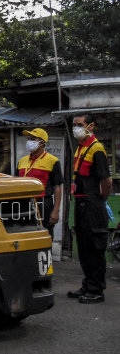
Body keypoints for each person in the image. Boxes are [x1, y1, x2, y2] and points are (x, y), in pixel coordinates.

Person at [67, 113, 112, 304]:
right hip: (80, 203)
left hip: (93, 203)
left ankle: (96, 290)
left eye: (80, 124)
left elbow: (107, 180)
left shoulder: (97, 149)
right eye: (74, 124)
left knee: (95, 249)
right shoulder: (81, 147)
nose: (76, 128)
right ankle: (87, 284)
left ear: (90, 126)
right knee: (84, 249)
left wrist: (101, 199)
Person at [17, 128, 63, 236]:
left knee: (44, 234)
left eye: (33, 139)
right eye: (28, 139)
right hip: (23, 203)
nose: (29, 142)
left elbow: (57, 187)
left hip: (42, 203)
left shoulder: (52, 161)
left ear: (41, 142)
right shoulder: (22, 161)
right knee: (25, 234)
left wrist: (56, 211)